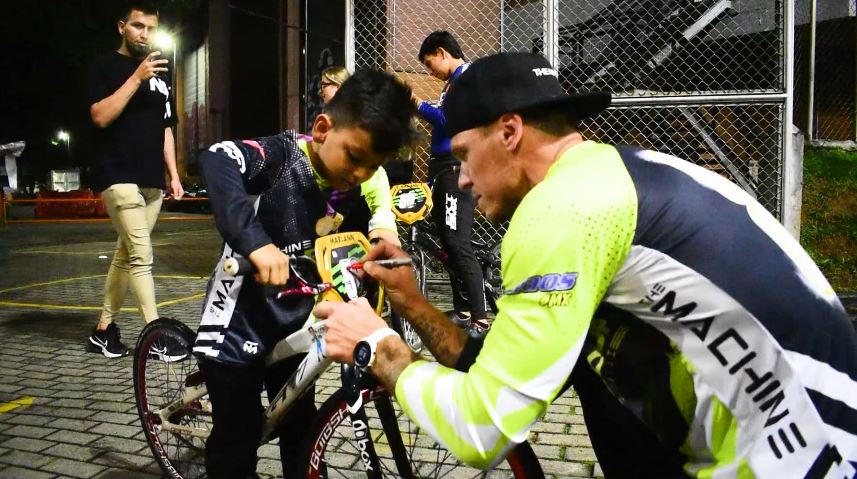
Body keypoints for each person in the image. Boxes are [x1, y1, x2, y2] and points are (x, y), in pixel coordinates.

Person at [317, 52, 857, 478]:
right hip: (820, 439)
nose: (460, 178)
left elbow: (484, 426)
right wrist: (411, 302)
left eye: (462, 154)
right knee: (600, 372)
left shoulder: (562, 210)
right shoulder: (609, 174)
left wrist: (376, 346)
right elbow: (493, 365)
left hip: (802, 459)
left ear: (509, 132)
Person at [191, 69, 414, 479]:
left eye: (371, 165)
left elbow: (377, 191)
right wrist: (256, 243)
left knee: (301, 428)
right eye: (355, 158)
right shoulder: (280, 156)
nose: (360, 174)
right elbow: (216, 158)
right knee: (237, 441)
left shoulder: (352, 174)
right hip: (238, 321)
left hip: (293, 321)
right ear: (322, 128)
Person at [85, 3, 183, 358]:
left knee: (126, 256)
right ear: (122, 27)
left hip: (151, 180)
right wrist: (136, 78)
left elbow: (166, 129)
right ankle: (154, 336)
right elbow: (100, 116)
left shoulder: (162, 75)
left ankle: (103, 330)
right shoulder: (105, 67)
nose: (145, 34)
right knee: (142, 256)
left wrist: (173, 174)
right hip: (118, 174)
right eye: (138, 26)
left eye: (151, 28)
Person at [412, 31, 488, 333]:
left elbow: (449, 120)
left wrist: (418, 104)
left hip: (457, 168)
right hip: (443, 169)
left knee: (458, 241)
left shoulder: (465, 77)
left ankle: (480, 319)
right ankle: (464, 309)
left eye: (430, 64)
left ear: (443, 52)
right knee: (447, 239)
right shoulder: (452, 83)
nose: (430, 72)